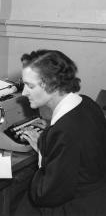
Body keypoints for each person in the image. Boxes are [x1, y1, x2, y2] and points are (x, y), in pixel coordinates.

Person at [14, 49, 106, 216]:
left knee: (15, 203)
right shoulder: (87, 104)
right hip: (98, 197)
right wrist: (48, 140)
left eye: (30, 85)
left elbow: (44, 194)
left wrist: (44, 155)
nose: (24, 92)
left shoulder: (64, 131)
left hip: (78, 208)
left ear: (53, 85)